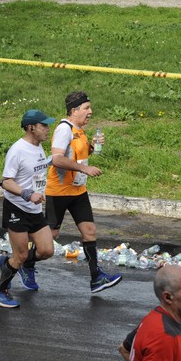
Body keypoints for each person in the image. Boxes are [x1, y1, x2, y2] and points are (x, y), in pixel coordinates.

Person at [45, 90, 122, 294]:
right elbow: (57, 158)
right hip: (59, 192)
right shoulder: (64, 129)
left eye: (90, 107)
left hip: (78, 191)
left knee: (90, 232)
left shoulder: (80, 129)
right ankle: (22, 264)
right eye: (86, 108)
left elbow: (78, 154)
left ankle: (96, 277)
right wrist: (84, 168)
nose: (90, 112)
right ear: (74, 110)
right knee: (49, 239)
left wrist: (92, 147)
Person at [0, 109, 56, 308]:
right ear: (31, 127)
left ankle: (7, 264)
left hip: (34, 209)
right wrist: (27, 194)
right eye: (44, 126)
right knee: (22, 255)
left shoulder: (39, 147)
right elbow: (7, 182)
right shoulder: (17, 150)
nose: (48, 129)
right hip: (17, 208)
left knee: (46, 250)